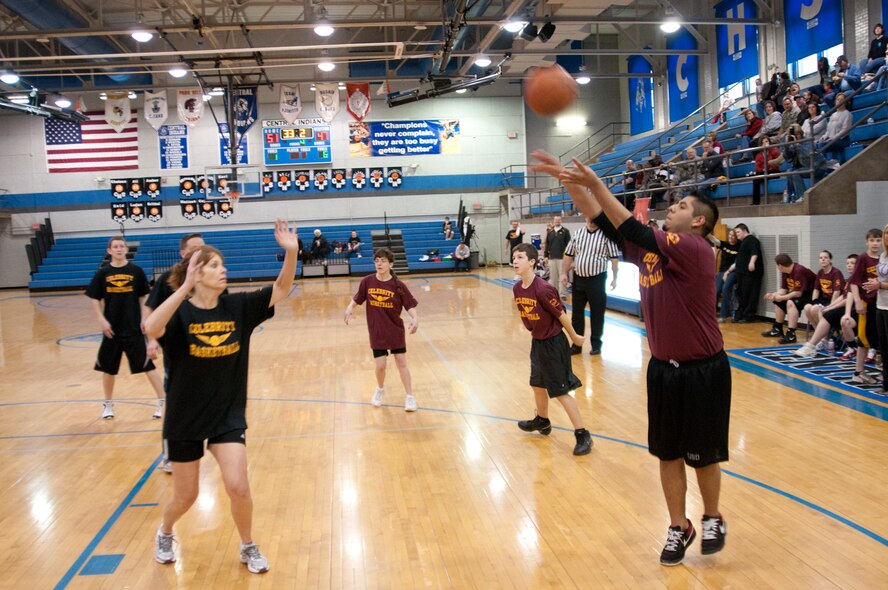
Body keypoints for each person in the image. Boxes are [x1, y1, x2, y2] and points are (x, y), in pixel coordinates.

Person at [530, 149, 730, 566]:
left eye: (679, 206)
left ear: (697, 221)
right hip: (663, 370)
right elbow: (603, 222)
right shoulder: (652, 251)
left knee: (704, 454)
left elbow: (629, 228)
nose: (670, 208)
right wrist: (570, 181)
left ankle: (712, 515)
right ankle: (679, 526)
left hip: (704, 370)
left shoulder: (694, 249)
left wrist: (596, 183)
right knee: (667, 453)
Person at [145, 219, 300, 574]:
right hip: (184, 417)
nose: (223, 270)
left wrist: (291, 253)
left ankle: (247, 545)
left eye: (222, 264)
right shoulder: (179, 312)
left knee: (238, 486)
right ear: (196, 274)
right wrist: (184, 287)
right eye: (214, 266)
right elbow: (151, 327)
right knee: (186, 496)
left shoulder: (238, 308)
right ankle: (165, 531)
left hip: (226, 415)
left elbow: (282, 287)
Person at [510, 242, 592, 456]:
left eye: (520, 257)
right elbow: (525, 314)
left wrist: (574, 336)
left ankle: (583, 434)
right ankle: (543, 421)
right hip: (538, 342)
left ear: (532, 262)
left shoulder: (544, 289)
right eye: (514, 257)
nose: (515, 261)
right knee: (537, 384)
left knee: (560, 391)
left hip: (554, 344)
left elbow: (561, 314)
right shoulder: (518, 288)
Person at [146, 232, 210, 472]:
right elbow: (149, 310)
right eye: (194, 249)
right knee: (174, 406)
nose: (198, 253)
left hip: (206, 352)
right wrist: (151, 339)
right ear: (182, 253)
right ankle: (170, 455)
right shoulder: (167, 279)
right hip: (177, 354)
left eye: (202, 249)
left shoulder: (210, 278)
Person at [86, 236, 165, 420]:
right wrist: (101, 320)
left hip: (133, 328)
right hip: (111, 329)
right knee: (108, 368)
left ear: (126, 249)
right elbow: (94, 298)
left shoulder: (136, 271)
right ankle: (107, 404)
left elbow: (144, 297)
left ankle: (162, 400)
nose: (119, 249)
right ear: (109, 251)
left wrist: (145, 319)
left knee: (148, 366)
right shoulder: (102, 273)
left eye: (122, 246)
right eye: (116, 246)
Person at [344, 247, 419, 411]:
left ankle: (410, 397)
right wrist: (350, 308)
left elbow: (409, 304)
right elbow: (358, 298)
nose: (379, 263)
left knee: (401, 362)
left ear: (391, 264)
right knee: (380, 366)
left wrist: (415, 317)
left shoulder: (398, 285)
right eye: (377, 260)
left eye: (383, 261)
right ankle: (380, 389)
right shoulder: (367, 281)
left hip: (395, 330)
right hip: (377, 330)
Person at [561, 216, 620, 355]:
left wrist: (615, 277)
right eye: (589, 217)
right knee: (577, 314)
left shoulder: (606, 235)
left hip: (597, 280)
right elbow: (568, 255)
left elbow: (614, 259)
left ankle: (596, 344)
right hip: (579, 279)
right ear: (585, 217)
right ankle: (577, 344)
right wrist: (563, 273)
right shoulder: (578, 233)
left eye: (594, 217)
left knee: (597, 314)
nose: (591, 220)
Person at [794, 254, 858, 358]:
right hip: (841, 306)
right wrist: (829, 307)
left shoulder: (847, 276)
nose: (849, 265)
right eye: (847, 263)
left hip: (855, 309)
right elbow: (843, 296)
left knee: (826, 313)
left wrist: (831, 307)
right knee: (813, 308)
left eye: (852, 263)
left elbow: (846, 298)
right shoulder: (850, 279)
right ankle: (816, 341)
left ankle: (818, 342)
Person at [845, 229, 883, 384]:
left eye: (878, 240)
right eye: (872, 240)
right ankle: (858, 372)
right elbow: (854, 282)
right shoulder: (863, 258)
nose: (875, 243)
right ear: (867, 241)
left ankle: (881, 371)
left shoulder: (883, 258)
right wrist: (858, 301)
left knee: (880, 338)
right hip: (867, 303)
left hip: (881, 303)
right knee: (863, 338)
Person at [760, 254, 817, 344]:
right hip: (799, 293)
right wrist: (774, 295)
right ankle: (777, 328)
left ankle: (791, 334)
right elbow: (784, 289)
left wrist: (782, 297)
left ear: (780, 265)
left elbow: (798, 293)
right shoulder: (785, 272)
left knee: (790, 302)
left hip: (811, 294)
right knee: (778, 301)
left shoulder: (799, 270)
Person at [864, 224, 888, 395]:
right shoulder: (883, 256)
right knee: (883, 346)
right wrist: (874, 285)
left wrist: (879, 284)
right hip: (880, 304)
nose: (887, 236)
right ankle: (886, 384)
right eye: (886, 232)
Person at [801, 250, 845, 330]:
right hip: (823, 300)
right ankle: (817, 331)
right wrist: (814, 301)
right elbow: (816, 290)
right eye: (821, 258)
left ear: (830, 260)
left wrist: (831, 306)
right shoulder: (820, 272)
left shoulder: (836, 273)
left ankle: (824, 334)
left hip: (834, 301)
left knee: (815, 309)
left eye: (825, 257)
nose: (823, 259)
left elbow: (837, 292)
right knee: (807, 307)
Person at [732, 223, 763, 323]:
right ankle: (740, 314)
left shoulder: (752, 240)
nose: (737, 234)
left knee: (750, 294)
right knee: (742, 294)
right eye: (736, 232)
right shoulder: (743, 242)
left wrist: (752, 262)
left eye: (738, 232)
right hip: (742, 273)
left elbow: (755, 252)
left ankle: (748, 315)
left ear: (745, 230)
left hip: (750, 274)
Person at [710, 230, 740, 322]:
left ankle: (724, 315)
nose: (731, 237)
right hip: (722, 271)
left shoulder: (740, 247)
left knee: (726, 288)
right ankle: (711, 313)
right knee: (716, 290)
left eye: (733, 236)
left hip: (733, 272)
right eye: (730, 235)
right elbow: (715, 240)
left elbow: (737, 263)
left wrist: (728, 272)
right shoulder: (725, 244)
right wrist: (707, 232)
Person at [818, 93, 852, 164]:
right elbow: (828, 130)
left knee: (823, 145)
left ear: (845, 102)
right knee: (818, 144)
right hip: (832, 139)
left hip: (842, 140)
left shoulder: (848, 114)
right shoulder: (833, 115)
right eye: (837, 99)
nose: (839, 101)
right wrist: (823, 137)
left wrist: (834, 137)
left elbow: (845, 130)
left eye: (841, 100)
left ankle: (823, 165)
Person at [542, 215, 571, 299]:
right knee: (553, 277)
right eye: (556, 220)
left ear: (561, 221)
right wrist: (546, 256)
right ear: (553, 221)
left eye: (559, 220)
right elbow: (547, 245)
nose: (557, 221)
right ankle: (554, 292)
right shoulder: (550, 232)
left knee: (562, 276)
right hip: (552, 258)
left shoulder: (565, 231)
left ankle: (562, 293)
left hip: (562, 258)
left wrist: (569, 258)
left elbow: (569, 245)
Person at [750, 137, 784, 206]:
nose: (765, 144)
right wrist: (762, 170)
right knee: (756, 178)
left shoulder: (774, 151)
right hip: (764, 172)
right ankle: (756, 202)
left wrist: (769, 151)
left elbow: (777, 161)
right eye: (763, 142)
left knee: (763, 174)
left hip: (774, 171)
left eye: (766, 141)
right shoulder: (758, 155)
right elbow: (757, 167)